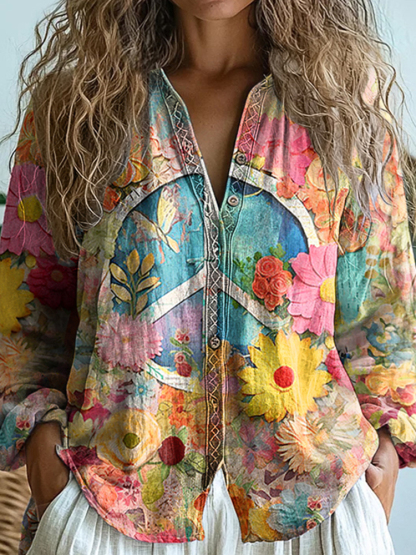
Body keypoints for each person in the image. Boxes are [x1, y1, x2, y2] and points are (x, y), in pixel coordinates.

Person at [0, 0, 415, 554]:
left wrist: (383, 457)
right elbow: (27, 316)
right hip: (112, 500)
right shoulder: (78, 110)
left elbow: (383, 315)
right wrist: (42, 448)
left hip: (313, 504)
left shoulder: (340, 110)